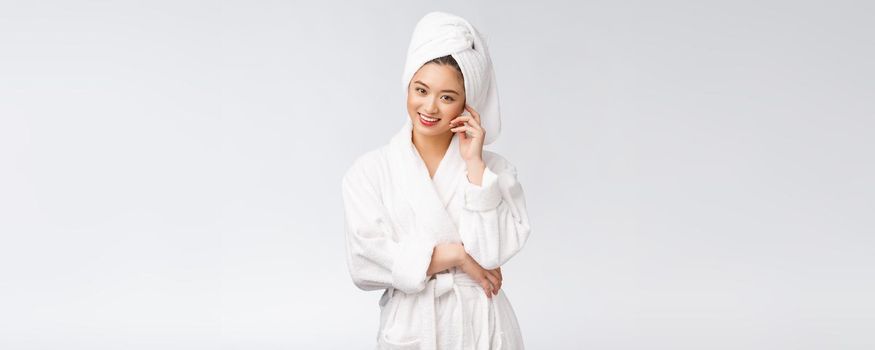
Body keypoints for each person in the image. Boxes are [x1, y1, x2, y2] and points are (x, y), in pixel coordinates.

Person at [342, 11, 531, 350]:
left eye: (447, 97)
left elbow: (492, 253)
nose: (429, 107)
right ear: (408, 85)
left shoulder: (494, 171)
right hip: (414, 330)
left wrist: (475, 165)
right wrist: (457, 256)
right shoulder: (370, 172)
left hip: (483, 328)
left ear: (466, 103)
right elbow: (365, 262)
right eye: (421, 90)